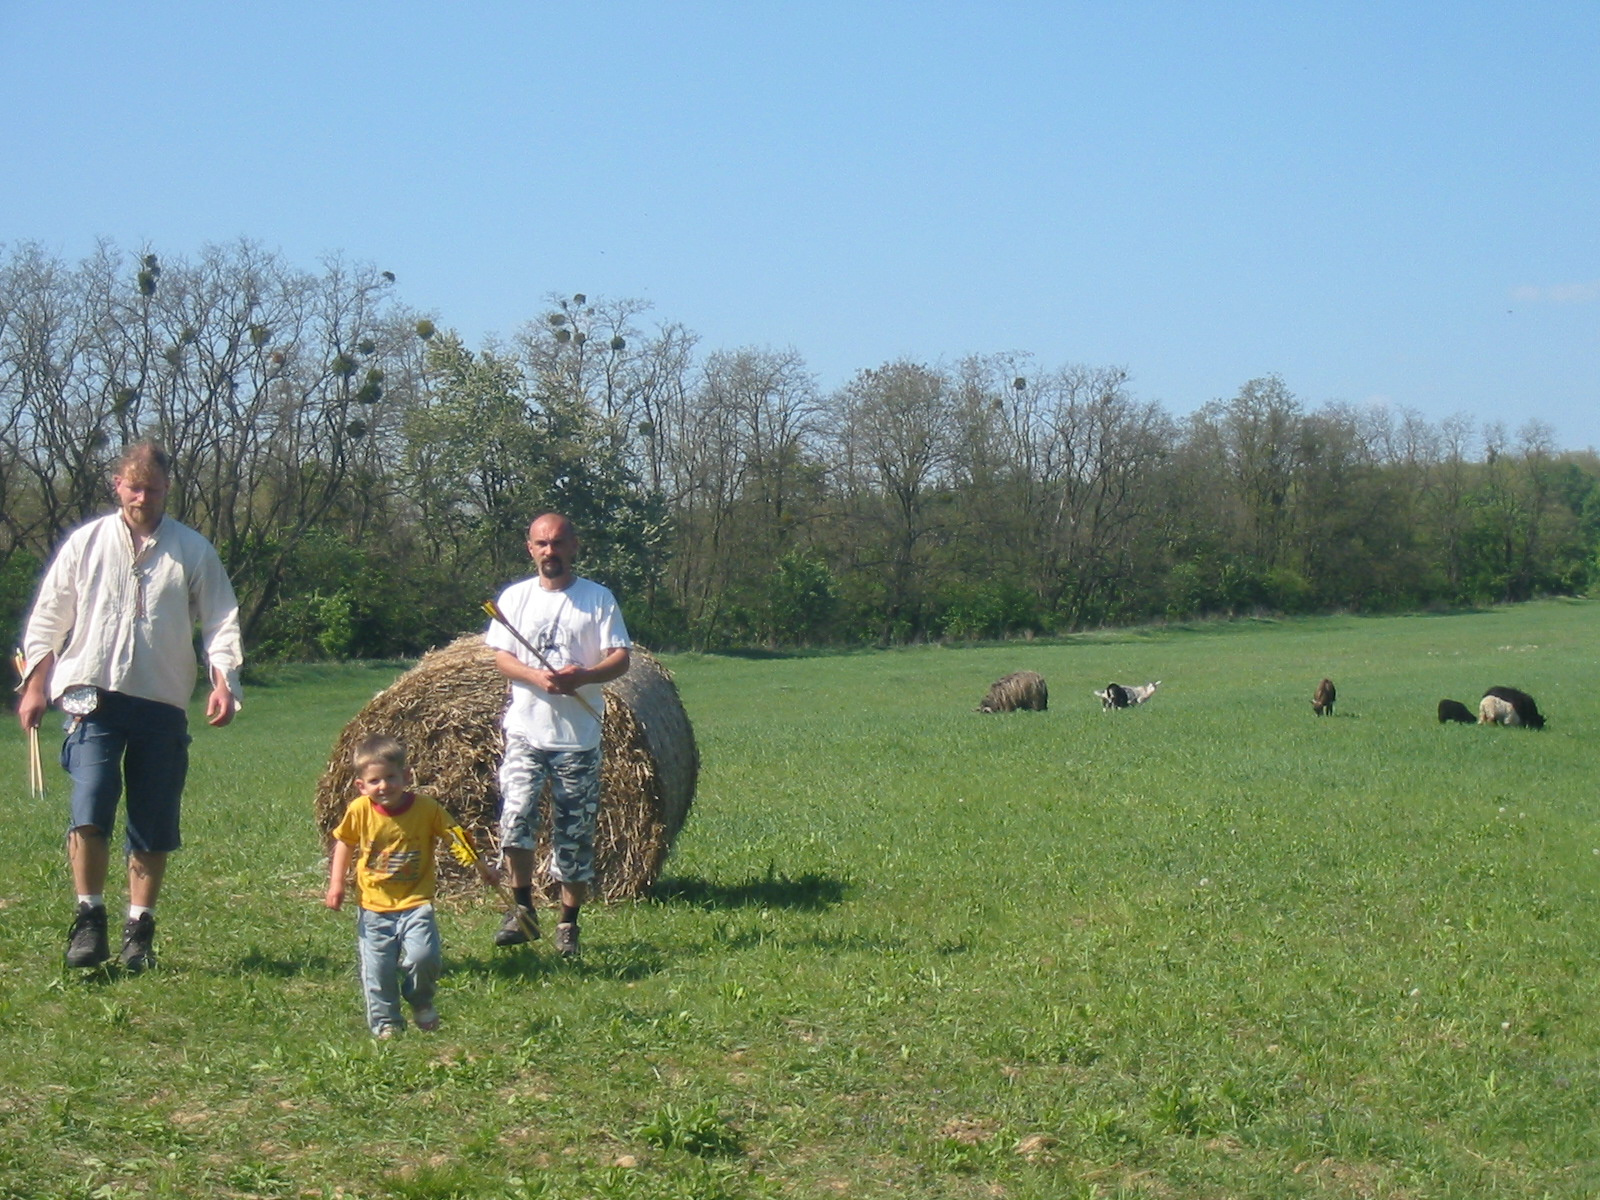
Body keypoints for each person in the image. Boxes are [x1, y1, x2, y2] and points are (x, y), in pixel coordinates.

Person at [15, 441, 243, 972]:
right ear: (116, 485)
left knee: (152, 818)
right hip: (89, 694)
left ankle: (139, 930)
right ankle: (88, 918)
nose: (142, 497)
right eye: (133, 486)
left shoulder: (192, 550)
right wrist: (33, 685)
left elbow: (220, 619)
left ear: (167, 490)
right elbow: (51, 615)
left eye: (153, 488)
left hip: (161, 698)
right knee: (91, 802)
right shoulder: (86, 543)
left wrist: (223, 681)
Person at [486, 512, 630, 957]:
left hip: (577, 738)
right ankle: (523, 910)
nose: (550, 551)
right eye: (541, 544)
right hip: (526, 731)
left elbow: (621, 659)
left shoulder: (598, 599)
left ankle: (568, 925)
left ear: (574, 546)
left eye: (558, 543)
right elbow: (500, 657)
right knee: (517, 817)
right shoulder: (515, 598)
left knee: (573, 834)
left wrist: (583, 675)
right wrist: (535, 675)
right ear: (530, 548)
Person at [325, 734, 495, 1037]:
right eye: (374, 781)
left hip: (416, 901)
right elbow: (344, 843)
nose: (383, 786)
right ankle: (387, 1022)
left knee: (424, 957)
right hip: (373, 905)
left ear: (405, 776)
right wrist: (336, 883)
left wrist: (481, 867)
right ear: (361, 786)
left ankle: (420, 1000)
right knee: (378, 971)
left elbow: (455, 835)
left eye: (391, 777)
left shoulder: (426, 809)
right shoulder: (360, 810)